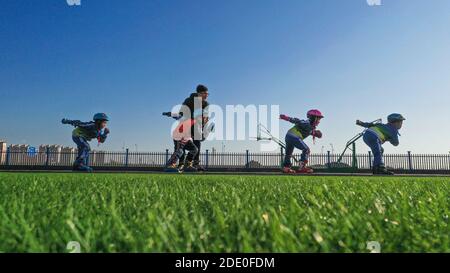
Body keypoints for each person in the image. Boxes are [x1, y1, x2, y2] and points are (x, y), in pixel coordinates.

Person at [280, 109, 324, 174]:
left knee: (288, 153)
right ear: (313, 118)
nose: (319, 121)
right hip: (294, 136)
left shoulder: (310, 128)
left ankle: (286, 168)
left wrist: (317, 134)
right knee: (306, 150)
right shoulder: (307, 123)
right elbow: (297, 121)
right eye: (318, 119)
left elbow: (311, 132)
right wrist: (286, 118)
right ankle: (302, 167)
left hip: (288, 136)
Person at [178, 84, 210, 171]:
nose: (207, 95)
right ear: (199, 93)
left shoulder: (206, 104)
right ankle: (181, 164)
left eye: (207, 94)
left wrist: (204, 127)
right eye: (205, 93)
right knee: (183, 144)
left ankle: (195, 164)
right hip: (186, 124)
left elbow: (205, 117)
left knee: (197, 143)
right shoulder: (188, 100)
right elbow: (181, 112)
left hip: (197, 126)